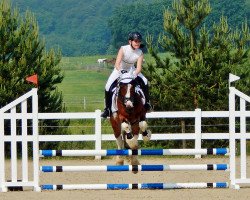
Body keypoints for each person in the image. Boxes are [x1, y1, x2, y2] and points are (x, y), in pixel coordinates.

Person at [101, 31, 151, 118]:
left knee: (145, 81)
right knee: (108, 86)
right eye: (136, 41)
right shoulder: (123, 49)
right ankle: (107, 109)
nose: (138, 43)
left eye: (139, 41)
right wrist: (121, 72)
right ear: (130, 41)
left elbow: (138, 68)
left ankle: (147, 103)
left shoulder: (140, 53)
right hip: (119, 70)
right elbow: (117, 64)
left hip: (132, 70)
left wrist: (134, 74)